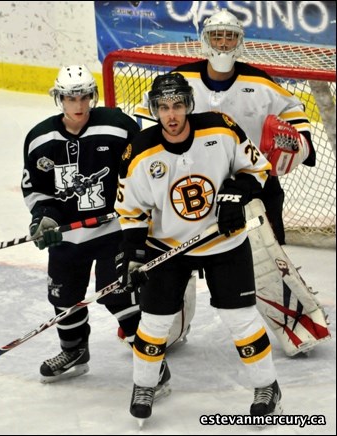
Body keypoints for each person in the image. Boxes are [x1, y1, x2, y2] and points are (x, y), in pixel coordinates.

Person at [132, 8, 329, 357]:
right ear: (204, 41)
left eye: (230, 36)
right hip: (189, 191)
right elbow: (150, 128)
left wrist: (298, 145)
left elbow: (296, 118)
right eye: (217, 36)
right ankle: (169, 328)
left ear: (240, 41)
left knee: (266, 261)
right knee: (172, 260)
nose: (223, 43)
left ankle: (299, 328)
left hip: (249, 186)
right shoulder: (181, 79)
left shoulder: (261, 82)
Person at [116, 71, 282, 423]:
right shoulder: (140, 153)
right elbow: (130, 212)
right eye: (163, 107)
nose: (171, 115)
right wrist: (132, 256)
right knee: (155, 322)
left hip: (224, 241)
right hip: (166, 247)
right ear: (154, 109)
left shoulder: (220, 128)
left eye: (177, 105)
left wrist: (238, 194)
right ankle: (146, 384)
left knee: (240, 319)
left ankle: (267, 385)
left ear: (189, 105)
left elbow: (259, 169)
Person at [20, 64, 170, 388]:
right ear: (58, 98)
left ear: (93, 96)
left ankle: (153, 367)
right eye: (70, 97)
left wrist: (142, 210)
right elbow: (36, 189)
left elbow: (142, 168)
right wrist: (42, 217)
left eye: (84, 96)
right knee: (62, 296)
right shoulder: (39, 139)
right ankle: (74, 352)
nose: (78, 104)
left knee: (118, 294)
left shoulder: (118, 127)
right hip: (67, 234)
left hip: (114, 229)